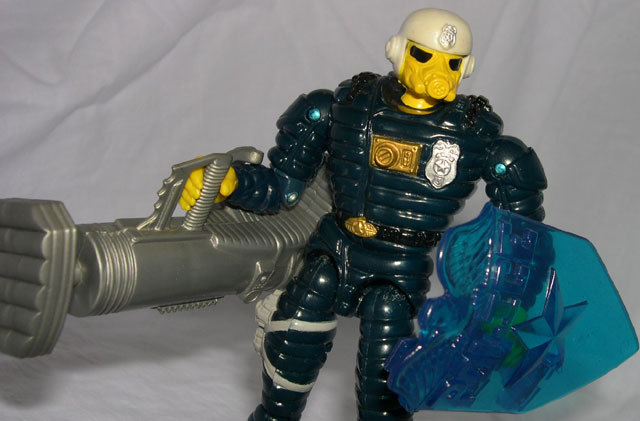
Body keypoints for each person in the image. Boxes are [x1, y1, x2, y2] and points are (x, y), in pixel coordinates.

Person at [181, 8, 547, 421]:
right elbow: (281, 187)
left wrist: (508, 307)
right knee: (291, 342)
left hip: (400, 269)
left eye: (452, 63)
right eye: (423, 56)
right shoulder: (346, 107)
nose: (437, 72)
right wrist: (230, 183)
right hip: (336, 248)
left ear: (467, 68)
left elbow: (521, 232)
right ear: (397, 49)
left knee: (386, 382)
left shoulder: (473, 133)